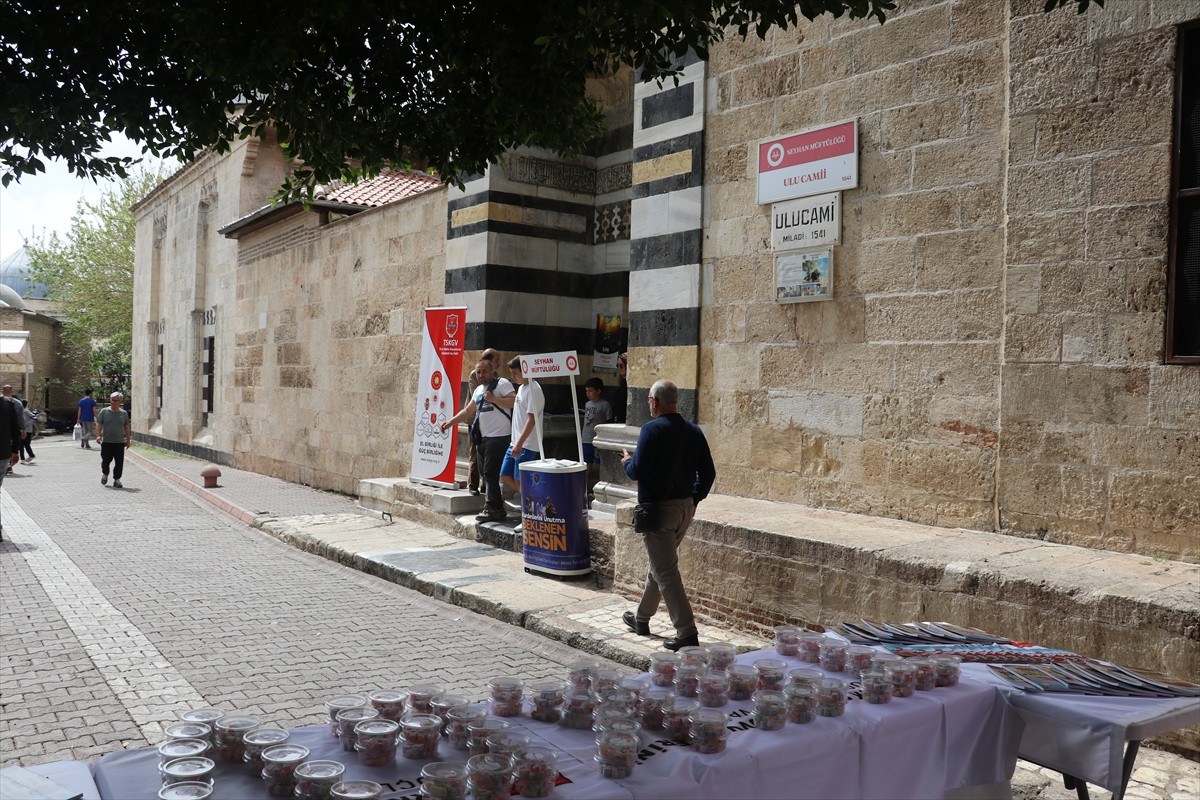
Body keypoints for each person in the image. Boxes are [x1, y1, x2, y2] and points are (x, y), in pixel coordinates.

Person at [620, 380, 716, 651]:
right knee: (660, 567)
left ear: (654, 401)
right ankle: (641, 618)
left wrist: (627, 461)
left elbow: (636, 471)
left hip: (659, 512)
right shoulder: (693, 431)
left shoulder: (651, 430)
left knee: (667, 572)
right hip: (685, 508)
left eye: (649, 399)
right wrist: (694, 498)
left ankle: (686, 632)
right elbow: (708, 474)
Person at [439, 359, 513, 522]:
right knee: (486, 474)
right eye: (478, 372)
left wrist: (494, 399)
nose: (481, 375)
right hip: (482, 437)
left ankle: (492, 508)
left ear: (493, 372)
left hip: (499, 436)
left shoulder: (502, 384)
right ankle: (498, 508)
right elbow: (468, 410)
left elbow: (514, 400)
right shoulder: (479, 389)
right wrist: (451, 422)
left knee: (489, 473)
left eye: (484, 371)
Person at [497, 356, 544, 496]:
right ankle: (529, 498)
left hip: (527, 444)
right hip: (515, 442)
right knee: (505, 474)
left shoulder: (534, 389)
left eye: (515, 373)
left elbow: (532, 420)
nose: (512, 377)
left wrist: (520, 443)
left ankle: (529, 505)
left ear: (525, 370)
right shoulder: (522, 388)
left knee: (520, 478)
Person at [464, 349, 499, 495]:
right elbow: (477, 396)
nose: (499, 362)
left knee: (487, 454)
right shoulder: (475, 374)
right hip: (475, 418)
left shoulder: (495, 376)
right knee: (474, 452)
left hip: (489, 420)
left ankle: (485, 484)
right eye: (497, 359)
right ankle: (472, 484)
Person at [581, 377, 613, 495]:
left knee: (599, 466)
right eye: (586, 391)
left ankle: (598, 492)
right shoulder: (587, 404)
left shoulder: (605, 405)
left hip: (599, 440)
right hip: (586, 439)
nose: (588, 394)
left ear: (598, 391)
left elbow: (609, 422)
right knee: (586, 467)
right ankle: (584, 491)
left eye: (590, 391)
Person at [94, 391, 131, 488]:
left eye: (116, 400)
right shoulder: (104, 411)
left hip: (119, 442)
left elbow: (127, 426)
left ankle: (117, 479)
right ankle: (105, 474)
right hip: (106, 441)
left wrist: (128, 439)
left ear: (120, 401)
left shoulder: (123, 413)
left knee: (119, 462)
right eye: (112, 400)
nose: (114, 402)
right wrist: (98, 436)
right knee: (106, 461)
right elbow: (98, 425)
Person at [0, 391, 20, 539]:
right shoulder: (9, 403)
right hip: (3, 453)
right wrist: (15, 451)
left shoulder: (8, 404)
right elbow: (16, 429)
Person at [1, 385, 25, 474]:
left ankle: (8, 466)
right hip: (10, 432)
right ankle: (9, 466)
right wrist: (23, 429)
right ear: (12, 392)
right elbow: (20, 419)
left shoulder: (15, 403)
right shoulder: (16, 403)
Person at [19, 399, 36, 464]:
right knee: (22, 445)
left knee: (25, 444)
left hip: (27, 430)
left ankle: (30, 455)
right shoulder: (22, 411)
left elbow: (34, 417)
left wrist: (26, 424)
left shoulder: (26, 411)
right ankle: (23, 458)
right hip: (23, 430)